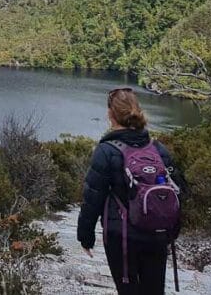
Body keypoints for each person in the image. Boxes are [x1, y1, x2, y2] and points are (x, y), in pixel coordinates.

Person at [77, 87, 188, 294]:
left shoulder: (106, 151)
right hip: (157, 233)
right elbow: (180, 189)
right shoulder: (158, 148)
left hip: (122, 236)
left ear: (111, 114)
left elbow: (93, 197)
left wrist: (85, 236)